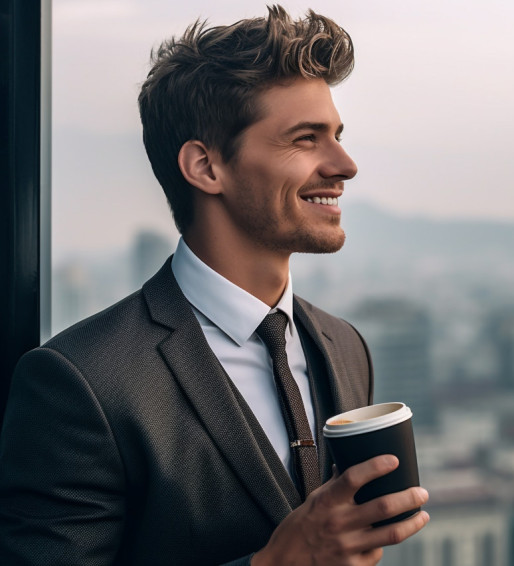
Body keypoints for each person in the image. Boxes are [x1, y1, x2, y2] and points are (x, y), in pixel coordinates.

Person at [0, 6, 428, 565]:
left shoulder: (345, 345)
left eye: (338, 136)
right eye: (306, 138)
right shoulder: (80, 383)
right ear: (205, 167)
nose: (345, 164)